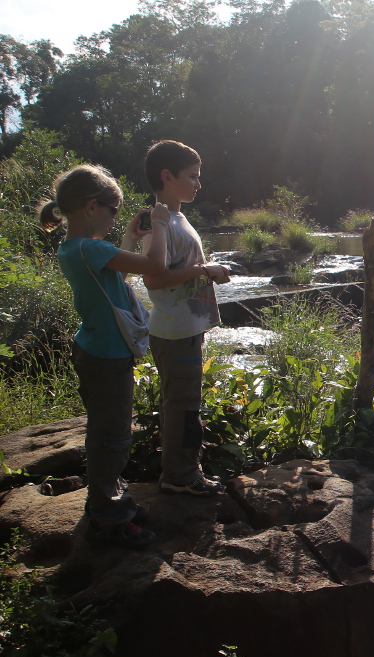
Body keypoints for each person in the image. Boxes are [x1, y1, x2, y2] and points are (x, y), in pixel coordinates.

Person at [39, 164, 171, 548]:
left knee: (106, 433)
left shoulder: (74, 248)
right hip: (107, 357)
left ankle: (109, 500)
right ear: (91, 207)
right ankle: (109, 516)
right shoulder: (91, 248)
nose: (115, 219)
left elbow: (117, 275)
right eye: (114, 211)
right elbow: (155, 266)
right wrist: (159, 224)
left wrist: (130, 237)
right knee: (112, 439)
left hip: (95, 350)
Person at [141, 140, 231, 496]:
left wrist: (204, 271)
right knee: (182, 406)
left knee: (184, 402)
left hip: (184, 329)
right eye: (192, 176)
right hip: (176, 333)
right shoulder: (159, 222)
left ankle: (183, 470)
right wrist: (205, 270)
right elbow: (154, 277)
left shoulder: (176, 218)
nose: (198, 184)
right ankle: (180, 475)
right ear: (167, 176)